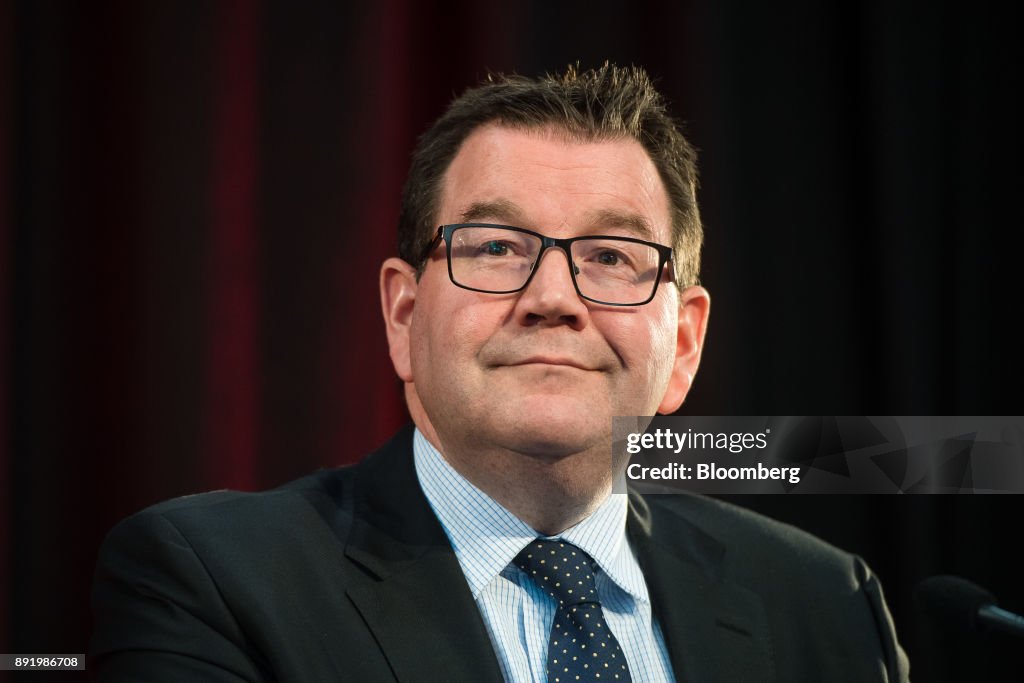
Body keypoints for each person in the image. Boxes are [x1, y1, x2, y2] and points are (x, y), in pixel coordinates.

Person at [91, 63, 909, 682]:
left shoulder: (825, 605)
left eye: (612, 256)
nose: (552, 298)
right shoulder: (211, 582)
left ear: (685, 343)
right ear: (404, 316)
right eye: (495, 248)